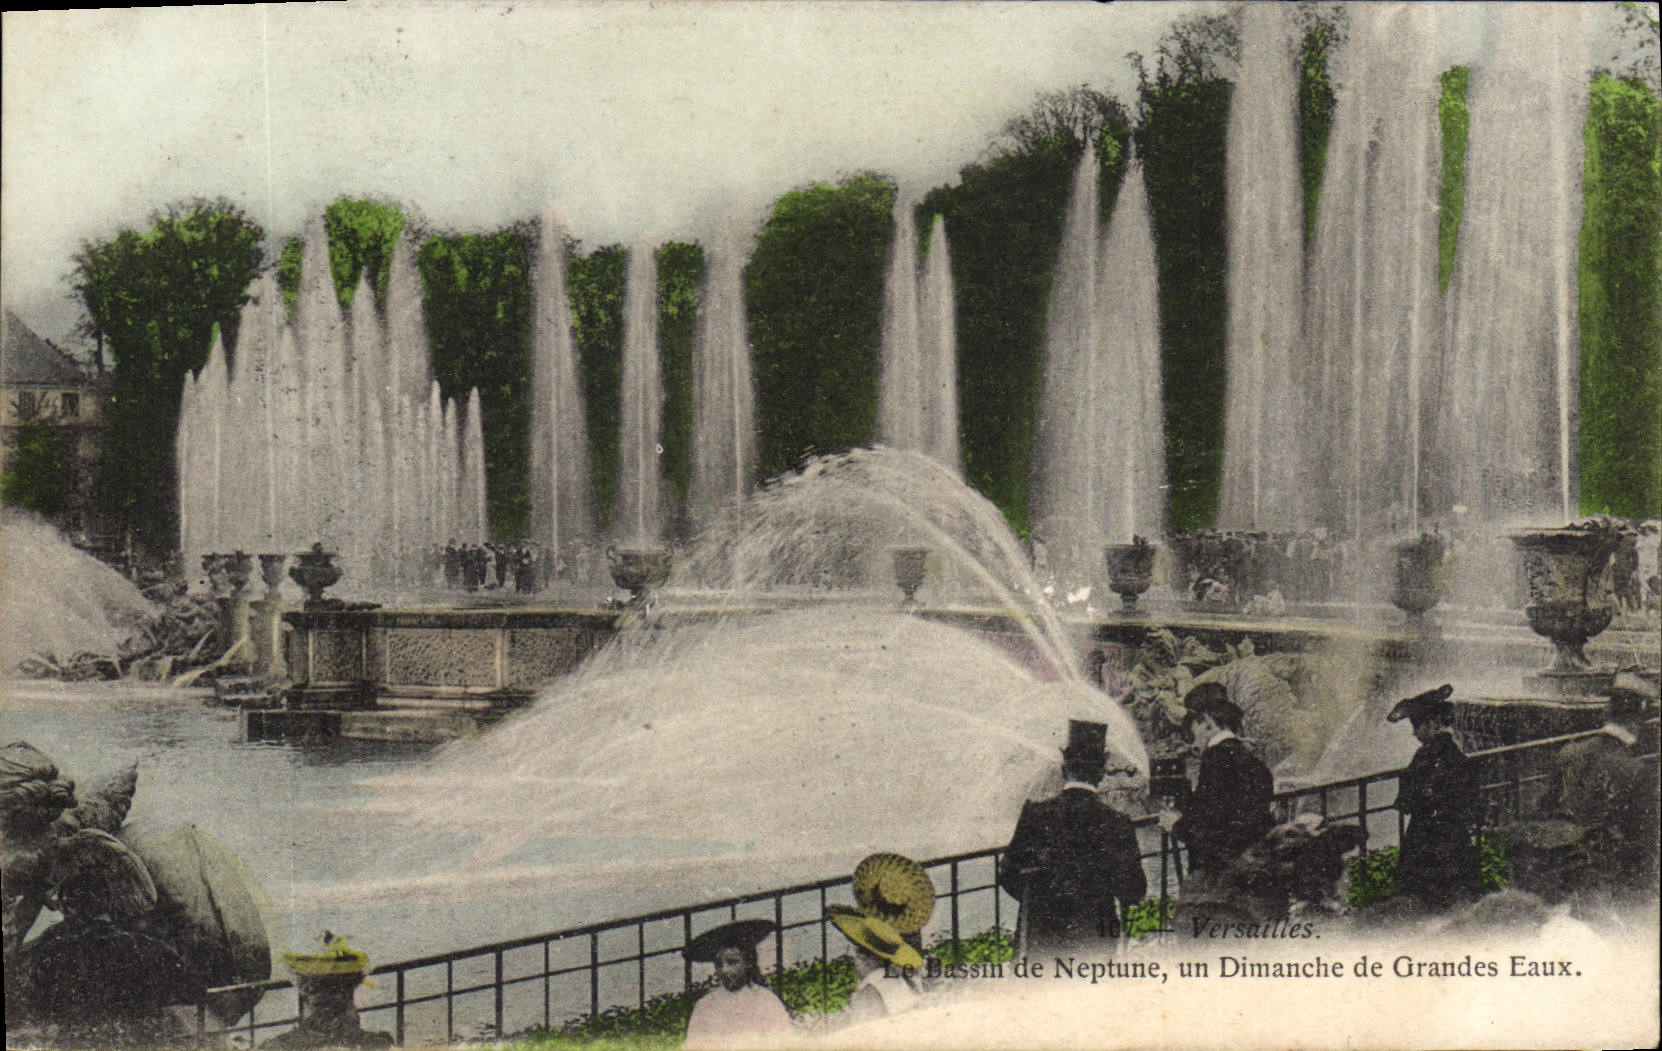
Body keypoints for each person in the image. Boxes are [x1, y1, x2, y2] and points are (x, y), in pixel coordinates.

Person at [999, 720, 1146, 955]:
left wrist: (1040, 899)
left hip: (1041, 936)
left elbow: (1008, 873)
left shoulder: (1035, 813)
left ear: (1065, 768)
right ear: (1100, 772)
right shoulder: (1117, 822)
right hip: (1095, 937)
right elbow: (1134, 889)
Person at [1543, 672, 1659, 903]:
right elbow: (1644, 842)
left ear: (1608, 711)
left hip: (1560, 870)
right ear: (1639, 719)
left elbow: (1546, 806)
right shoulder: (1638, 771)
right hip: (1610, 882)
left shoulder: (1568, 753)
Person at [1158, 684, 1275, 878]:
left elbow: (1213, 828)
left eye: (1193, 726)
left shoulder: (1216, 759)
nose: (1192, 736)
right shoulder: (1252, 760)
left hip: (1220, 878)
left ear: (1207, 723)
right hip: (1253, 869)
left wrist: (1176, 825)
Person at [1387, 683, 1481, 910]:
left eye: (1417, 727)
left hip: (1432, 824)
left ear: (1432, 724)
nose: (1414, 733)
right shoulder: (1445, 749)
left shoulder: (1435, 752)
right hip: (1444, 821)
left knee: (1429, 872)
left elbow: (1420, 782)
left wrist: (1415, 797)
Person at [681, 919, 791, 1050]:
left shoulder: (765, 1000)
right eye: (719, 964)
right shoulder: (706, 1006)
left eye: (732, 962)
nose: (725, 970)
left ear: (748, 962)